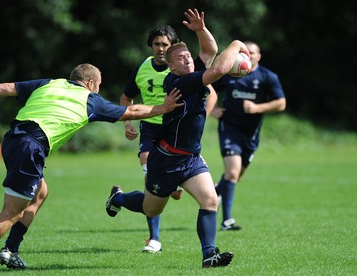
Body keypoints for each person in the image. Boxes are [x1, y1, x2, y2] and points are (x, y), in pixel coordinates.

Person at [0, 63, 183, 274]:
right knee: (12, 211)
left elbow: (9, 87)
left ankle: (10, 251)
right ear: (91, 83)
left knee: (40, 193)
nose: (98, 89)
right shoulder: (90, 99)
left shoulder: (50, 83)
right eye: (99, 85)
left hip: (13, 140)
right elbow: (131, 112)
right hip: (31, 146)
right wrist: (164, 107)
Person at [105, 35, 251, 267]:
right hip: (166, 160)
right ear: (171, 66)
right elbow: (221, 68)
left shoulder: (192, 74)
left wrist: (201, 29)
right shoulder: (180, 83)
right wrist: (236, 44)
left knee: (210, 200)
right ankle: (119, 198)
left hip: (191, 158)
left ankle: (209, 255)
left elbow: (209, 51)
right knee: (150, 208)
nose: (187, 60)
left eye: (188, 56)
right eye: (181, 58)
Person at [120, 8, 218, 253]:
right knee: (150, 184)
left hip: (178, 134)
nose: (160, 48)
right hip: (152, 130)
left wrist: (199, 114)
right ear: (151, 46)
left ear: (173, 46)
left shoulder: (186, 67)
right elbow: (126, 97)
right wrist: (128, 123)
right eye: (156, 44)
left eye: (165, 44)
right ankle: (154, 238)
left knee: (176, 197)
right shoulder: (145, 69)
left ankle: (208, 253)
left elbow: (211, 83)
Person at [211, 41, 286, 231]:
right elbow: (206, 87)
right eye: (245, 52)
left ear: (258, 56)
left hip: (251, 135)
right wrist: (212, 109)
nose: (248, 55)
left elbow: (281, 103)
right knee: (233, 172)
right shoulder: (229, 74)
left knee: (235, 176)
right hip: (229, 129)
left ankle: (214, 192)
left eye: (252, 52)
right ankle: (227, 221)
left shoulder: (267, 77)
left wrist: (257, 108)